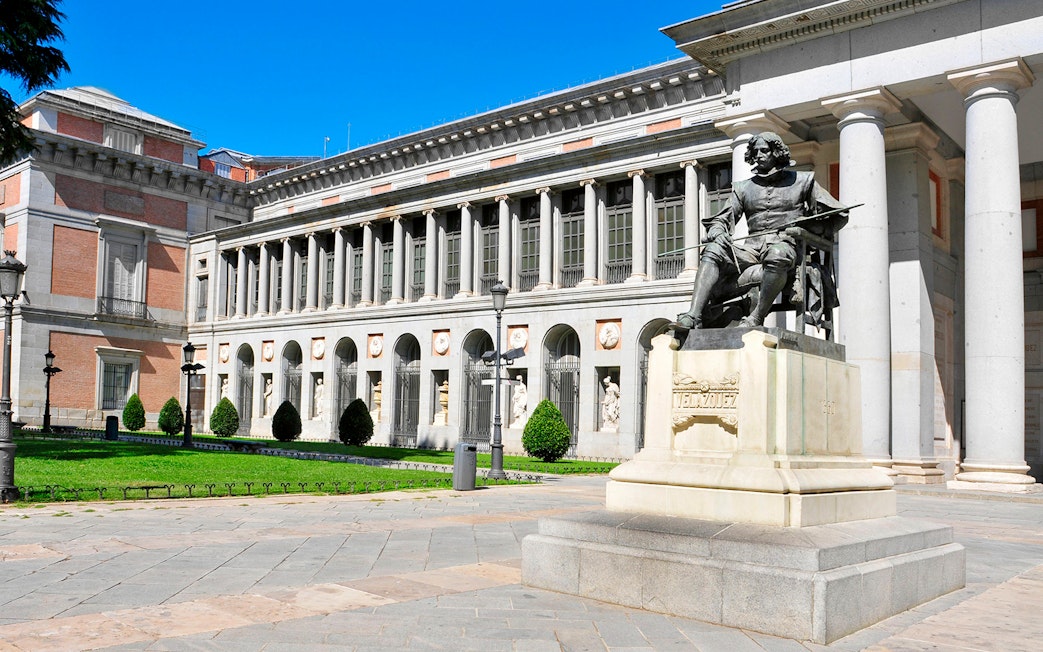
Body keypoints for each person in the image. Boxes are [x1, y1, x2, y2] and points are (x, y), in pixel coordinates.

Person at [676, 132, 847, 330]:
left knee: (777, 254)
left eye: (764, 150)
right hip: (751, 251)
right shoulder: (743, 188)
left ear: (776, 152)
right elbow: (720, 219)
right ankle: (694, 315)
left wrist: (809, 228)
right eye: (755, 151)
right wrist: (718, 231)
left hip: (787, 247)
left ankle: (756, 317)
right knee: (713, 249)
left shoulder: (803, 181)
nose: (758, 155)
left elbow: (839, 216)